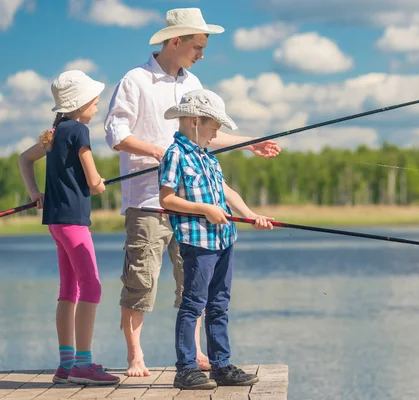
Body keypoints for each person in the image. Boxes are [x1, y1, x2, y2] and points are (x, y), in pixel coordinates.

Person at [104, 7, 280, 377]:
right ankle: (135, 355)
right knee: (141, 280)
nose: (201, 54)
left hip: (195, 210)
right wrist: (158, 150)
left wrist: (249, 142)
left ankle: (197, 354)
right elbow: (115, 135)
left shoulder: (193, 86)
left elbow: (207, 136)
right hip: (148, 200)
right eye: (197, 46)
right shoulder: (136, 80)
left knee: (192, 283)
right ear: (175, 41)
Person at [158, 88, 273, 390]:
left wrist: (250, 215)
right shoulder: (175, 154)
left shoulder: (207, 158)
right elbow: (167, 199)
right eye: (215, 126)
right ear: (195, 121)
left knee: (219, 304)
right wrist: (204, 210)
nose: (217, 132)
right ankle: (186, 369)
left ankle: (221, 365)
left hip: (224, 239)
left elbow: (227, 193)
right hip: (198, 243)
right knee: (193, 303)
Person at [18, 70, 120, 386]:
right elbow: (93, 181)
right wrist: (100, 185)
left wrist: (36, 194)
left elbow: (24, 158)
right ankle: (83, 364)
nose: (96, 107)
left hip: (55, 222)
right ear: (81, 104)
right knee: (92, 286)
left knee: (69, 290)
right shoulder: (78, 130)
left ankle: (66, 364)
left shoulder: (56, 131)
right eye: (95, 102)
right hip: (74, 222)